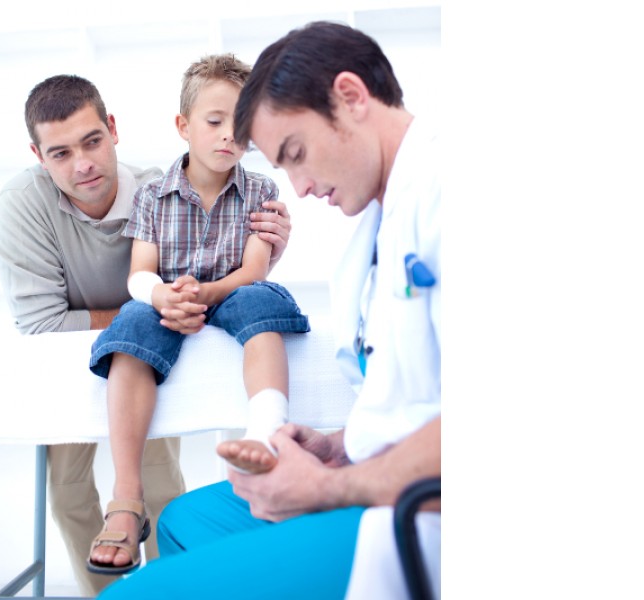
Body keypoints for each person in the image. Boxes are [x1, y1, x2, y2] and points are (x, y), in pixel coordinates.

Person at [98, 21, 441, 600]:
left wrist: (331, 486)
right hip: (371, 468)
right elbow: (418, 394)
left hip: (413, 517)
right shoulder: (379, 218)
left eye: (297, 153)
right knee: (182, 522)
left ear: (351, 97)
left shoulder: (446, 191)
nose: (299, 189)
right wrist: (338, 445)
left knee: (126, 596)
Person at [0, 74, 294, 596]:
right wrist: (151, 308)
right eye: (60, 153)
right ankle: (107, 593)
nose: (83, 164)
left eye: (92, 141)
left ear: (112, 129)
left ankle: (170, 589)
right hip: (84, 353)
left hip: (151, 355)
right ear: (39, 157)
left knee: (160, 475)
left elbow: (213, 276)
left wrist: (265, 253)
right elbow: (42, 326)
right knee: (66, 490)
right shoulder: (21, 207)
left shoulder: (159, 191)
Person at [85, 54, 311, 576]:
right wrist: (162, 296)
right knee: (133, 324)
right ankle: (126, 498)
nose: (229, 135)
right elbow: (140, 273)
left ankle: (265, 435)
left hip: (231, 291)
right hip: (170, 297)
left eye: (242, 124)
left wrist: (206, 292)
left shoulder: (260, 190)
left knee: (260, 302)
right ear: (184, 126)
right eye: (214, 121)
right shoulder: (152, 195)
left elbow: (253, 270)